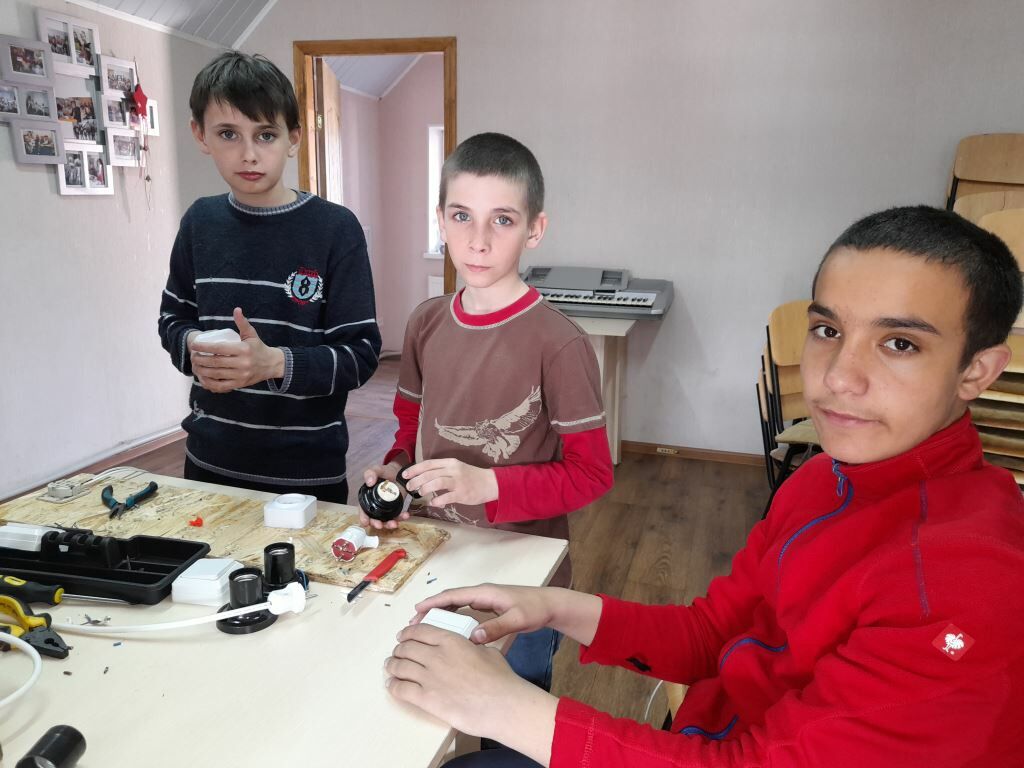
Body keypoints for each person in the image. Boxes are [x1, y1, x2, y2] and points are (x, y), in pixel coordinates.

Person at [384, 206, 1024, 767]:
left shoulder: (967, 582)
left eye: (900, 343)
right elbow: (712, 634)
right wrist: (552, 607)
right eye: (828, 331)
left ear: (977, 371)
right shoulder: (823, 479)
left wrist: (504, 707)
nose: (838, 378)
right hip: (706, 733)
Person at [362, 132, 614, 694]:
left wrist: (487, 485)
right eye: (461, 216)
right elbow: (411, 428)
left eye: (502, 220)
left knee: (512, 709)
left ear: (534, 229)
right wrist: (395, 470)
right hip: (435, 554)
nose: (477, 241)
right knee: (426, 701)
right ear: (441, 221)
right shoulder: (426, 322)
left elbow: (593, 475)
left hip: (521, 578)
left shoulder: (560, 344)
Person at [158, 51, 380, 504]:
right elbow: (171, 319)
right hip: (207, 467)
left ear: (293, 138)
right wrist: (193, 347)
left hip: (306, 477)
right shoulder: (199, 222)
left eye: (266, 135)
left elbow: (360, 354)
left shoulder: (335, 229)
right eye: (228, 134)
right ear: (200, 135)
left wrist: (274, 363)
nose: (249, 154)